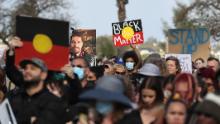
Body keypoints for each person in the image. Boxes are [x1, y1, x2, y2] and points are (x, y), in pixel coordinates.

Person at [6, 37, 72, 124]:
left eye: (33, 68)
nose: (27, 71)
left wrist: (72, 77)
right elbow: (11, 70)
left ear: (43, 75)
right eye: (25, 68)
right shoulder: (14, 97)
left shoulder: (53, 101)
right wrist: (11, 51)